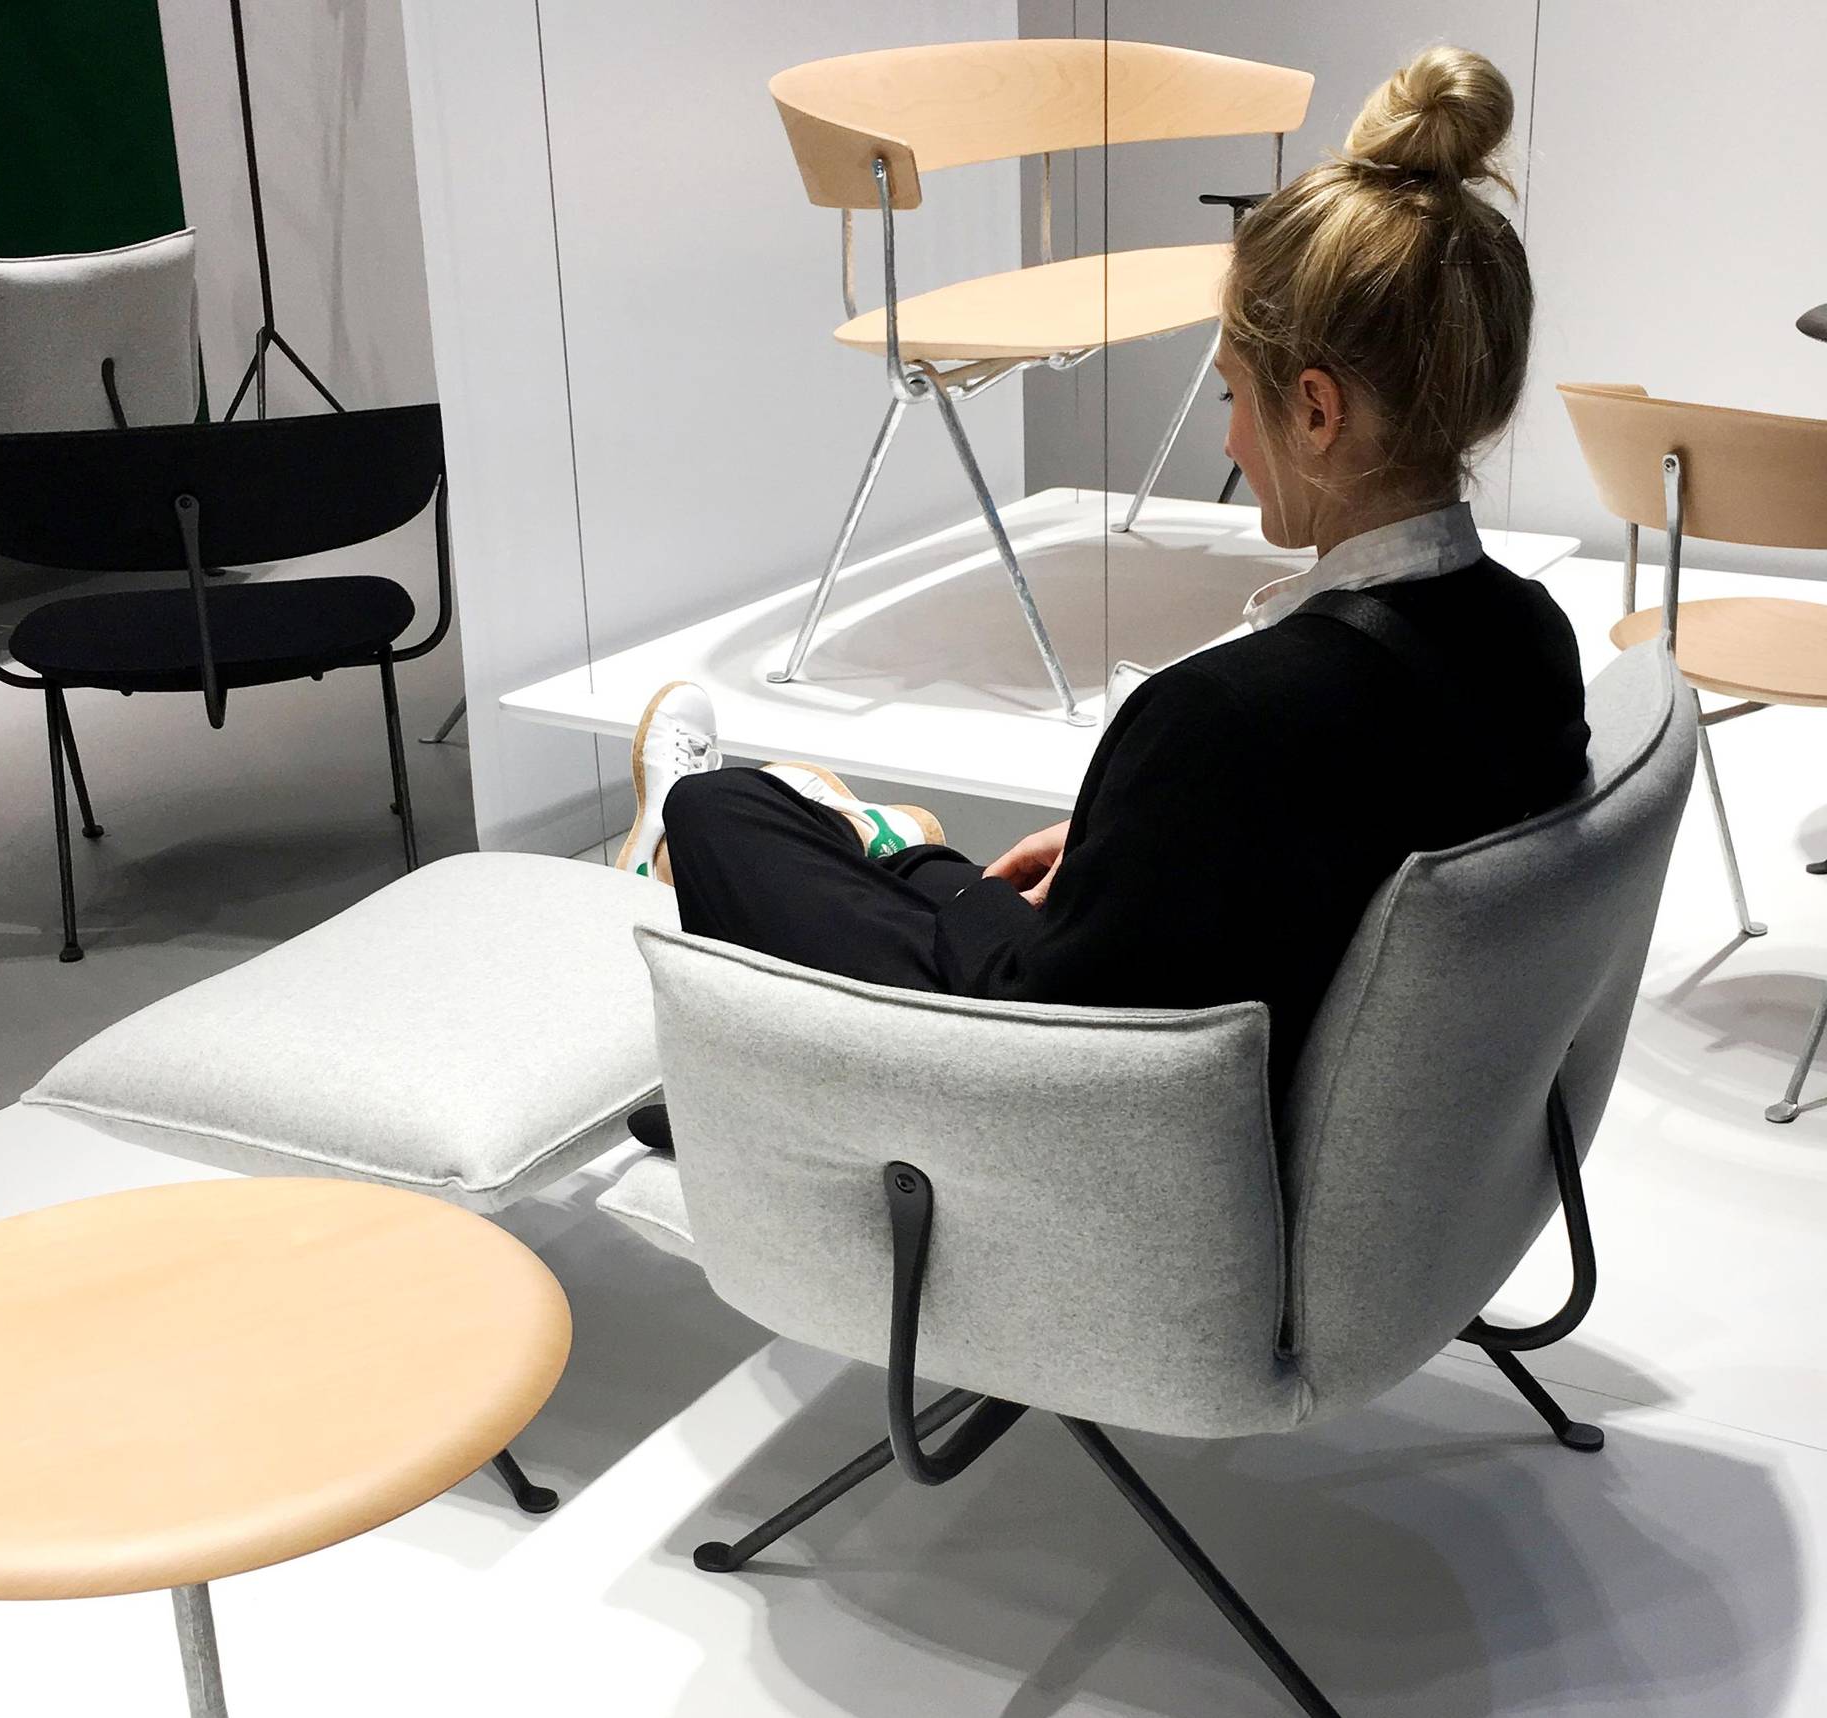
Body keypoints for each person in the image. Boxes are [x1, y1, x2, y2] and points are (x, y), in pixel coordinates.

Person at [616, 46, 1589, 1112]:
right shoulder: (1532, 640)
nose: (1232, 434)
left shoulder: (1227, 718)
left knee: (721, 812)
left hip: (1047, 1113)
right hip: (1309, 1091)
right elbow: (1332, 843)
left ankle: (821, 842)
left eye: (1232, 394)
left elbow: (1038, 1021)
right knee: (891, 862)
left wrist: (1059, 874)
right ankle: (879, 844)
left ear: (1316, 410)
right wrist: (1126, 851)